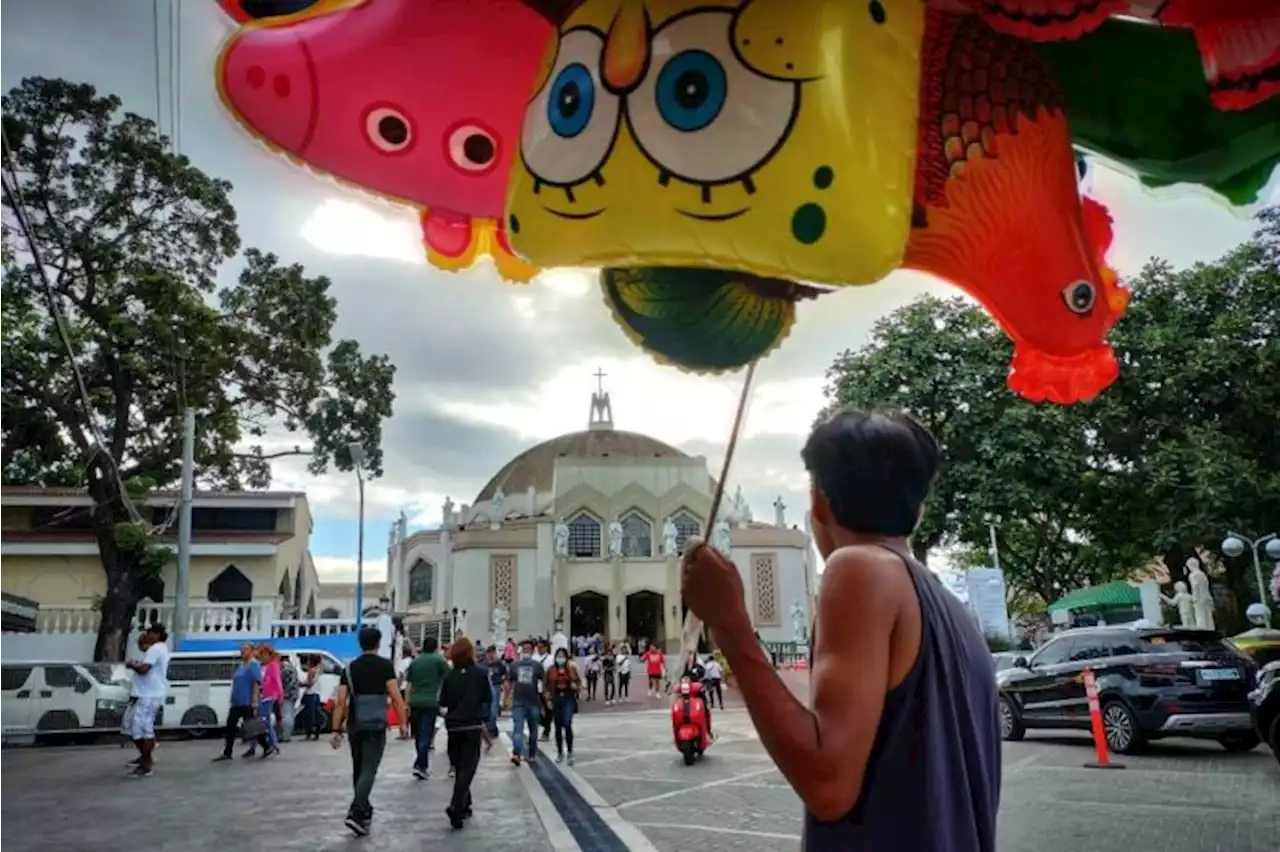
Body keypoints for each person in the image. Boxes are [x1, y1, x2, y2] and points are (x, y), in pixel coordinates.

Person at [681, 408, 1000, 850]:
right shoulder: (949, 606)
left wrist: (730, 625)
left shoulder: (860, 568)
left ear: (817, 501)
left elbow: (829, 785)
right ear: (919, 509)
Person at [331, 627, 409, 837]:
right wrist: (402, 722)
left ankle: (364, 808)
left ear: (360, 643)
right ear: (378, 643)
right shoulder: (385, 666)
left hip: (355, 723)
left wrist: (336, 729)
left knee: (359, 767)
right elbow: (395, 696)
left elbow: (340, 701)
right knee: (369, 768)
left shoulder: (349, 669)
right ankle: (356, 812)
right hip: (375, 724)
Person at [438, 637, 492, 830]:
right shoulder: (480, 673)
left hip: (453, 726)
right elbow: (488, 697)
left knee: (459, 765)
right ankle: (455, 805)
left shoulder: (449, 676)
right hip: (471, 725)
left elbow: (443, 701)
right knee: (468, 767)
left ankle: (465, 804)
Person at [123, 623, 170, 777]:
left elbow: (144, 669)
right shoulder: (157, 649)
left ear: (157, 634)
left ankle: (146, 762)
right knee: (135, 727)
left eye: (149, 632)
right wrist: (140, 640)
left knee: (142, 728)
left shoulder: (156, 649)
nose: (147, 635)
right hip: (146, 693)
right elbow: (143, 649)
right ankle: (145, 756)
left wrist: (132, 665)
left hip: (149, 694)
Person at [405, 637, 450, 780]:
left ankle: (421, 763)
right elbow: (449, 677)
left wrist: (407, 703)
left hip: (415, 701)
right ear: (436, 647)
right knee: (426, 734)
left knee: (418, 734)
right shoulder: (438, 661)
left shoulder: (415, 662)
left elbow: (408, 684)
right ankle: (420, 765)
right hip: (431, 702)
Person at [213, 643, 268, 761]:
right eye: (241, 650)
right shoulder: (242, 665)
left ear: (252, 651)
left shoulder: (253, 664)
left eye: (245, 650)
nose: (242, 652)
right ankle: (228, 751)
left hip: (247, 701)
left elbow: (257, 683)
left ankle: (266, 746)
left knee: (252, 726)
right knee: (231, 726)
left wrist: (254, 701)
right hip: (237, 701)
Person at [504, 639, 545, 766]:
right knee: (518, 729)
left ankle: (532, 754)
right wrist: (504, 699)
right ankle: (517, 753)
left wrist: (545, 700)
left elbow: (544, 683)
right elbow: (509, 682)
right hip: (518, 702)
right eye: (524, 648)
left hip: (533, 702)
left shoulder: (537, 666)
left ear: (533, 650)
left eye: (528, 648)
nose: (526, 650)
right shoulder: (515, 665)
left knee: (534, 730)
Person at [547, 647, 581, 765]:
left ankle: (570, 752)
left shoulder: (571, 669)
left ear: (566, 658)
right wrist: (548, 699)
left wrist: (575, 686)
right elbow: (547, 685)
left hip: (568, 698)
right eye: (558, 656)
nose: (560, 659)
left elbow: (578, 682)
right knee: (557, 726)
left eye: (562, 656)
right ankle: (560, 752)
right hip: (556, 698)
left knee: (567, 724)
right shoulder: (551, 670)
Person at [249, 645, 282, 757]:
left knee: (263, 721)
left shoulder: (273, 665)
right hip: (262, 696)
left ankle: (271, 744)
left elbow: (277, 681)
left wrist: (279, 695)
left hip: (268, 696)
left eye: (264, 654)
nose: (262, 657)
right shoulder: (262, 665)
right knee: (262, 721)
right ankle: (268, 744)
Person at [533, 639, 554, 741]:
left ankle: (546, 732)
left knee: (548, 710)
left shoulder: (551, 658)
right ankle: (544, 723)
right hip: (535, 688)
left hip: (547, 688)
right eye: (538, 647)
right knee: (535, 710)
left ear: (546, 647)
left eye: (542, 647)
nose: (540, 649)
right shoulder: (534, 658)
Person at [298, 655, 324, 741]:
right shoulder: (319, 670)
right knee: (316, 715)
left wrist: (300, 684)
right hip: (316, 694)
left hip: (309, 694)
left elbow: (309, 683)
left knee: (308, 716)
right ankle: (316, 734)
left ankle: (308, 734)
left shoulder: (311, 671)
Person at [484, 646, 507, 739]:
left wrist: (503, 682)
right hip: (485, 687)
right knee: (486, 709)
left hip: (495, 686)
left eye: (492, 653)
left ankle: (492, 728)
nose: (490, 655)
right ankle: (490, 727)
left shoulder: (499, 664)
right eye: (489, 653)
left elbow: (505, 674)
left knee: (494, 709)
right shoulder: (484, 664)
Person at [280, 654, 300, 742]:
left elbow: (281, 682)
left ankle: (285, 736)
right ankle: (287, 735)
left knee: (286, 716)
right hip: (293, 694)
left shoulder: (284, 669)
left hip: (286, 695)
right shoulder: (293, 668)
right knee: (290, 715)